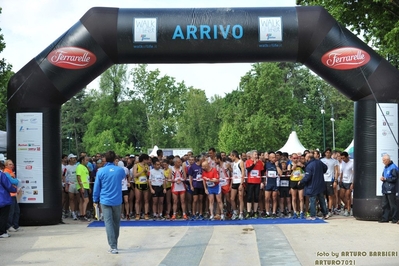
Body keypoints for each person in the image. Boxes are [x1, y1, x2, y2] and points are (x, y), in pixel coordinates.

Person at [93, 150, 126, 254]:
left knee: (108, 223)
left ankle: (113, 246)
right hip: (117, 200)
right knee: (116, 222)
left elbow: (97, 187)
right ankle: (115, 243)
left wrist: (95, 199)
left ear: (105, 159)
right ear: (115, 159)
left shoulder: (101, 171)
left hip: (105, 199)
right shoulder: (120, 170)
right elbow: (122, 178)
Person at [299, 152, 329, 220]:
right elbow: (326, 167)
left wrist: (301, 181)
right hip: (320, 184)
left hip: (312, 185)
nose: (305, 158)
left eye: (306, 157)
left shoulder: (309, 166)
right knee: (322, 200)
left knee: (312, 200)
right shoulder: (319, 162)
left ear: (308, 158)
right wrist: (321, 172)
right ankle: (325, 214)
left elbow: (307, 176)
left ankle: (313, 215)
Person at [379, 154, 398, 223]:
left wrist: (386, 179)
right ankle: (385, 218)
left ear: (387, 160)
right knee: (385, 205)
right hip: (385, 188)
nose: (383, 162)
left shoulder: (393, 167)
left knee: (392, 204)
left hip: (391, 188)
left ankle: (395, 219)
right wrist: (383, 178)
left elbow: (395, 178)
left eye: (384, 160)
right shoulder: (386, 167)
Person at [0, 161, 17, 238]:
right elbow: (8, 186)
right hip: (3, 199)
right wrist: (15, 189)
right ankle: (2, 232)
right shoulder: (1, 175)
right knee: (3, 216)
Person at [245, 151, 264, 218]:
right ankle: (248, 212)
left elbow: (262, 172)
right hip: (250, 182)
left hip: (257, 182)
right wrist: (254, 164)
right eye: (255, 154)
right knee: (249, 197)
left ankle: (255, 211)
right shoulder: (248, 161)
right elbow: (248, 169)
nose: (256, 156)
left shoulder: (260, 162)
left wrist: (262, 182)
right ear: (251, 155)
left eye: (257, 154)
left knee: (256, 197)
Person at [320, 148, 339, 217]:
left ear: (331, 153)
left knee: (330, 195)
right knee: (323, 196)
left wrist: (335, 180)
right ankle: (323, 210)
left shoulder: (334, 161)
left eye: (329, 152)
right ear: (325, 153)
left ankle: (330, 209)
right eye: (327, 152)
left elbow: (336, 171)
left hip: (330, 180)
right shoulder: (321, 160)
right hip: (323, 180)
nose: (328, 153)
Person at [4, 159, 21, 232]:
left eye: (12, 164)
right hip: (10, 194)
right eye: (10, 164)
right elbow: (13, 181)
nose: (12, 166)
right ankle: (9, 226)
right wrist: (16, 180)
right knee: (11, 211)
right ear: (6, 165)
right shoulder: (6, 173)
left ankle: (15, 225)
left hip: (14, 194)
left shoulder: (11, 173)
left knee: (16, 211)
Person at [229, 150, 245, 220]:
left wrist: (241, 184)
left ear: (234, 156)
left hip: (239, 182)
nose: (230, 157)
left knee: (240, 198)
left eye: (231, 156)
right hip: (234, 182)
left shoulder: (241, 162)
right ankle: (235, 212)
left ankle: (241, 213)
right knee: (232, 198)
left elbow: (243, 173)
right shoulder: (233, 163)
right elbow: (234, 173)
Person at [76, 156, 91, 222]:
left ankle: (81, 214)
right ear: (82, 160)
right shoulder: (79, 167)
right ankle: (83, 215)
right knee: (86, 200)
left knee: (82, 201)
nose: (87, 161)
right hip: (82, 186)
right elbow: (78, 177)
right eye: (86, 160)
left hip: (86, 186)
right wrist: (81, 186)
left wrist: (89, 187)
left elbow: (87, 178)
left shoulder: (85, 167)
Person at [339, 152, 353, 217]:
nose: (343, 159)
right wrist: (340, 179)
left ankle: (348, 210)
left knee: (347, 196)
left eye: (343, 158)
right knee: (341, 196)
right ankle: (348, 206)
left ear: (347, 157)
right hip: (343, 181)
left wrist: (352, 183)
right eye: (342, 158)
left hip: (349, 181)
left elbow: (353, 173)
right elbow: (341, 172)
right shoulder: (342, 163)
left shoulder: (352, 163)